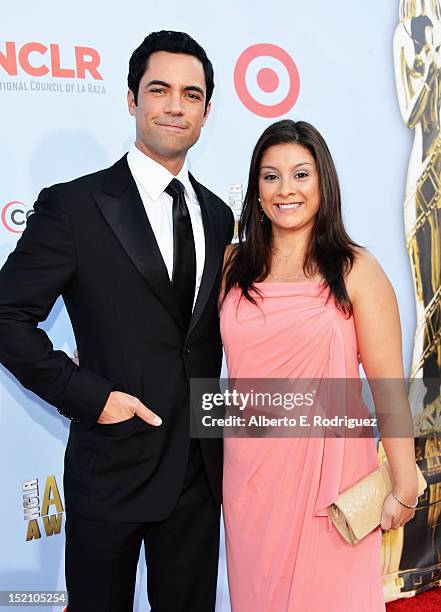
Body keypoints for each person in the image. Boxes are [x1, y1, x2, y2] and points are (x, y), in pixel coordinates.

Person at [0, 31, 234, 612]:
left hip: (199, 475)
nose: (175, 106)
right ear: (132, 99)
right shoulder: (73, 207)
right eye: (159, 90)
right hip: (111, 467)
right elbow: (5, 315)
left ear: (207, 109)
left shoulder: (220, 213)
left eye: (191, 93)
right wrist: (92, 397)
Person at [220, 119, 419, 611]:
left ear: (323, 182)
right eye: (271, 176)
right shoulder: (231, 265)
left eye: (300, 174)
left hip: (334, 482)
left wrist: (405, 483)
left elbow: (389, 388)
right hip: (250, 479)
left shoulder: (356, 269)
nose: (286, 189)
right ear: (256, 190)